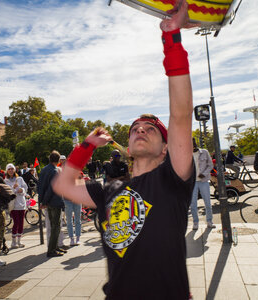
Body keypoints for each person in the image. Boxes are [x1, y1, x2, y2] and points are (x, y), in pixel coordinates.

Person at [53, 2, 195, 298]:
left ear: (165, 149)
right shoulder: (110, 189)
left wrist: (171, 39)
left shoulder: (173, 178)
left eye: (150, 129)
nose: (140, 130)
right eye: (134, 130)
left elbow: (181, 115)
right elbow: (63, 184)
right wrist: (87, 145)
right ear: (128, 148)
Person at [38, 151, 67, 257]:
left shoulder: (44, 169)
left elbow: (40, 187)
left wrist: (42, 201)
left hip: (48, 202)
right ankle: (51, 250)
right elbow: (52, 189)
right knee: (56, 226)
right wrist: (44, 201)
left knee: (53, 225)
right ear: (58, 160)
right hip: (54, 201)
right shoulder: (55, 171)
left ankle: (55, 247)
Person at [190, 138, 216, 230]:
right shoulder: (185, 154)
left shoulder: (204, 152)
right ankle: (195, 222)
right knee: (193, 204)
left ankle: (209, 221)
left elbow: (210, 165)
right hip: (192, 182)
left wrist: (204, 174)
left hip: (203, 181)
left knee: (207, 202)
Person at [4, 163, 28, 248]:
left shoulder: (20, 179)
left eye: (12, 169)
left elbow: (25, 188)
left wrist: (21, 189)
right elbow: (7, 193)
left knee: (21, 223)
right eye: (9, 169)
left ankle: (19, 241)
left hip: (21, 203)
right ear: (7, 171)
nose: (11, 170)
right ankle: (13, 242)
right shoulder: (5, 181)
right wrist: (14, 189)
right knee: (16, 222)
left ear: (15, 170)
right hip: (13, 205)